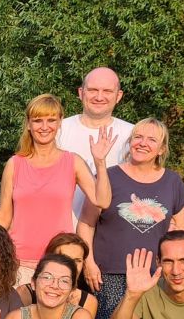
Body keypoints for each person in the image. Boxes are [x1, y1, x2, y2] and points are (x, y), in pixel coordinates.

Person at [78, 118, 184, 319]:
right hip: (109, 273)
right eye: (137, 136)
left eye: (151, 139)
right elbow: (86, 223)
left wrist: (179, 271)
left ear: (161, 148)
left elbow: (179, 227)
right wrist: (88, 262)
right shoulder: (110, 175)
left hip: (154, 277)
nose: (142, 143)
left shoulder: (173, 182)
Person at [0, 94, 111, 283]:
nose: (44, 127)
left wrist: (100, 163)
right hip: (18, 262)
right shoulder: (15, 164)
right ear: (28, 124)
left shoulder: (72, 162)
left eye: (51, 120)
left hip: (60, 261)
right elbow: (3, 216)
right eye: (38, 121)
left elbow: (102, 201)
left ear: (59, 123)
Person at [57, 67, 133, 227]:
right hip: (61, 232)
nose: (99, 97)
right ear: (80, 92)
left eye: (107, 91)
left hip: (114, 234)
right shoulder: (57, 131)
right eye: (92, 90)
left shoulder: (133, 136)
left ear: (118, 96)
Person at [16, 232, 99, 316]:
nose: (72, 265)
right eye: (64, 258)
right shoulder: (25, 293)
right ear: (49, 259)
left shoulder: (88, 302)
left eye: (77, 260)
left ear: (83, 264)